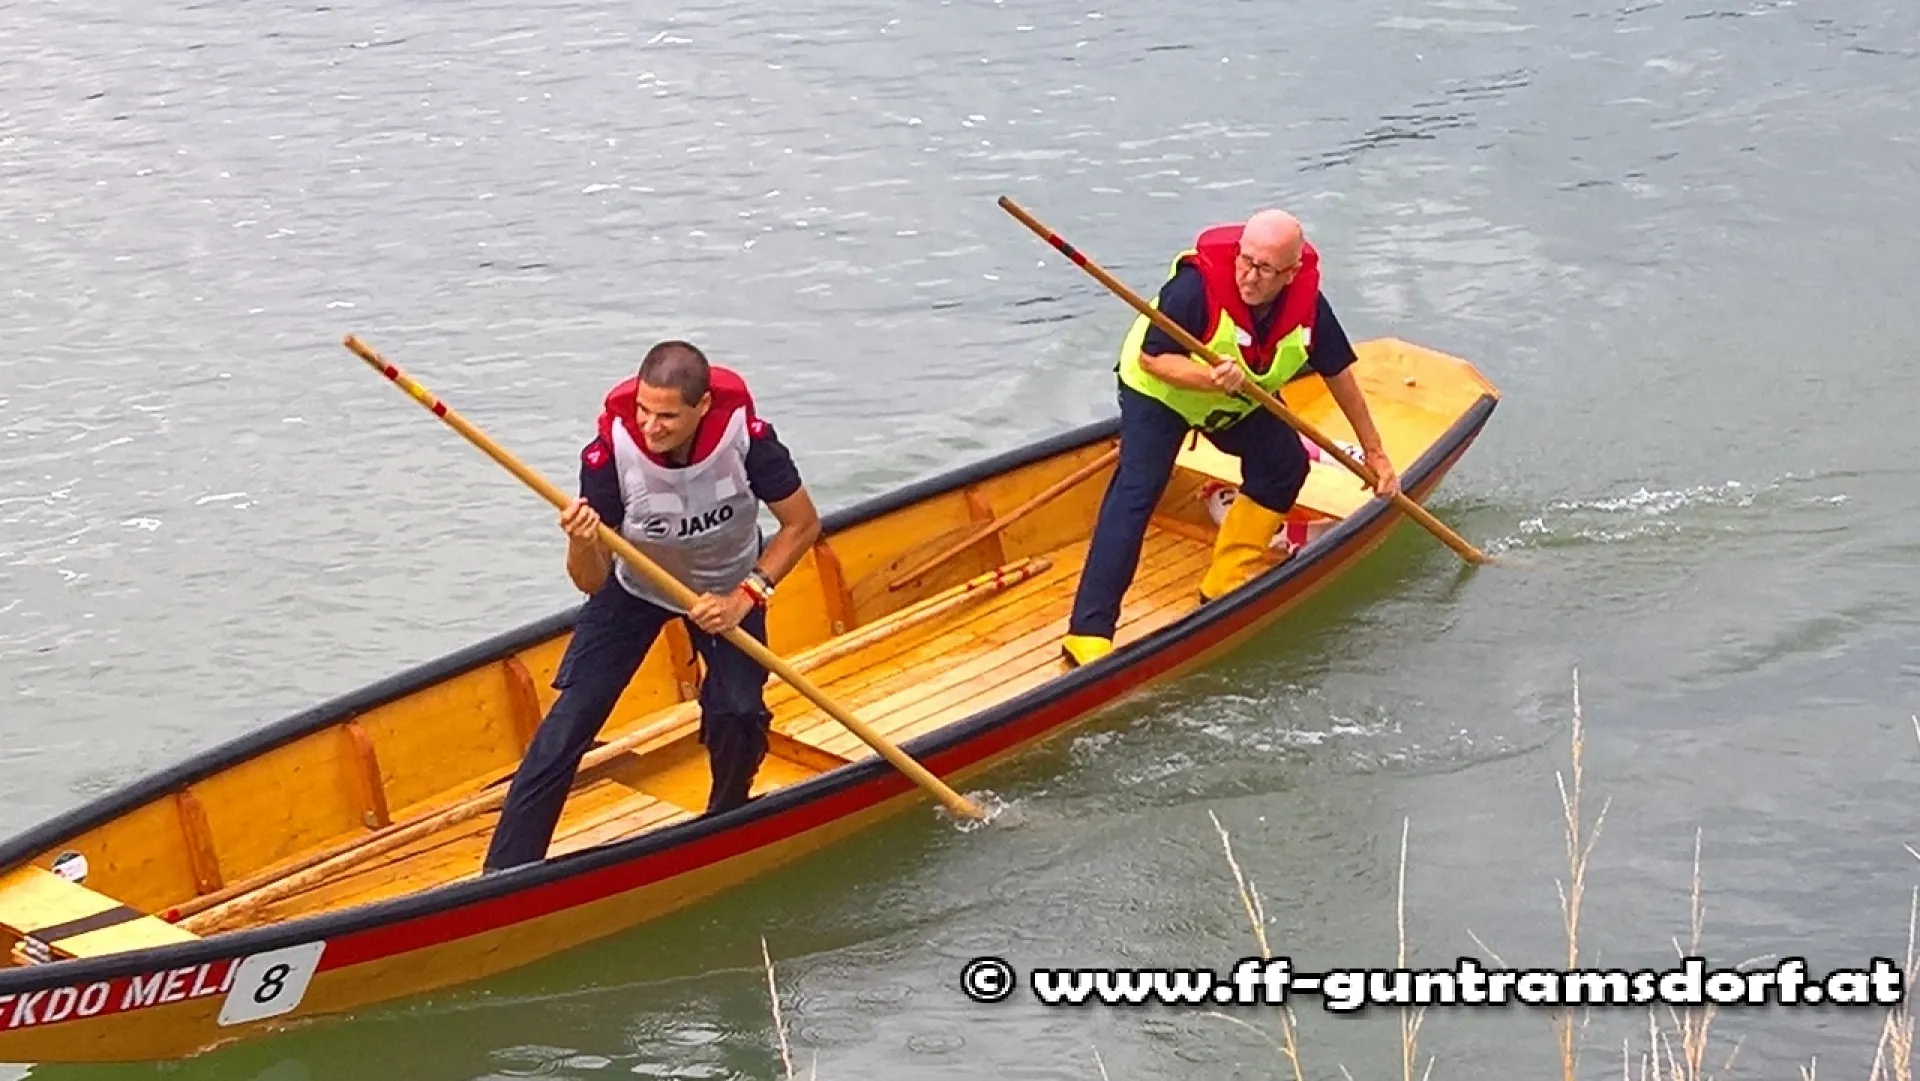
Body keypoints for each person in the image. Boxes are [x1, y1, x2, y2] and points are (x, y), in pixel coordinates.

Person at [482, 340, 822, 872]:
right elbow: (590, 582)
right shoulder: (608, 454)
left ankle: (727, 817)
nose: (649, 426)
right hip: (635, 588)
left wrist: (746, 597)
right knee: (568, 725)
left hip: (727, 588)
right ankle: (506, 870)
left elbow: (802, 524)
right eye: (643, 409)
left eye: (666, 416)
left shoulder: (750, 440)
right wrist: (580, 542)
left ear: (703, 406)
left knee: (739, 711)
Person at [1059, 209, 1401, 668]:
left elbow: (1339, 375)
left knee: (1284, 465)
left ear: (1291, 272)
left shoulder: (1310, 308)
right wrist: (1209, 379)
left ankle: (1224, 581)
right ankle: (1088, 632)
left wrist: (1376, 454)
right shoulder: (1193, 289)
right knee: (1138, 489)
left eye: (1265, 269)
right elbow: (1152, 359)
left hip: (1234, 398)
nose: (1249, 277)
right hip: (1161, 393)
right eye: (1245, 260)